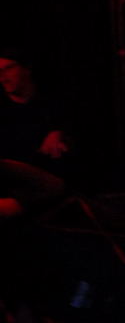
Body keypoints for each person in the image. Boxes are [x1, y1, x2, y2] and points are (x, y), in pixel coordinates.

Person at [0, 45, 69, 221]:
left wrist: (58, 133)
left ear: (27, 69)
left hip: (47, 183)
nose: (3, 77)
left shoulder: (52, 105)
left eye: (8, 68)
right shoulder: (3, 110)